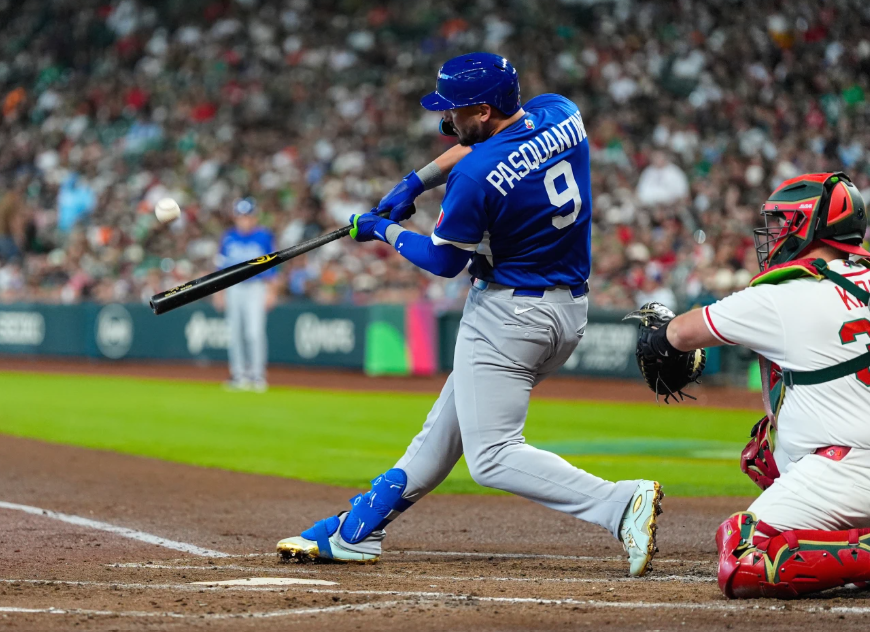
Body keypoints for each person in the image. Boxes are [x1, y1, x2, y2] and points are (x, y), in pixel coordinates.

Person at [277, 52, 663, 577]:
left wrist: (383, 230)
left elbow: (444, 259)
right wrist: (416, 181)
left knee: (493, 456)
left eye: (456, 111)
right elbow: (489, 149)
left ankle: (621, 504)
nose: (446, 122)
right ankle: (358, 529)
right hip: (568, 311)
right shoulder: (562, 113)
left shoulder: (476, 177)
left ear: (482, 111)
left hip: (507, 317)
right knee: (445, 430)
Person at [632, 172, 870, 598]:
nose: (774, 236)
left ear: (808, 225)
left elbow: (678, 335)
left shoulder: (783, 294)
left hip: (848, 471)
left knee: (743, 555)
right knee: (768, 454)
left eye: (782, 224)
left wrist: (656, 333)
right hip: (851, 462)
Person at [214, 197, 279, 392]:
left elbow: (274, 266)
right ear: (236, 218)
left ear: (255, 217)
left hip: (256, 287)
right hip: (234, 288)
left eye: (248, 216)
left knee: (254, 332)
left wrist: (272, 291)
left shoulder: (264, 236)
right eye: (241, 216)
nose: (245, 220)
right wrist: (218, 293)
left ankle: (257, 375)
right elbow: (221, 268)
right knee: (235, 334)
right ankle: (239, 374)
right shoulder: (228, 237)